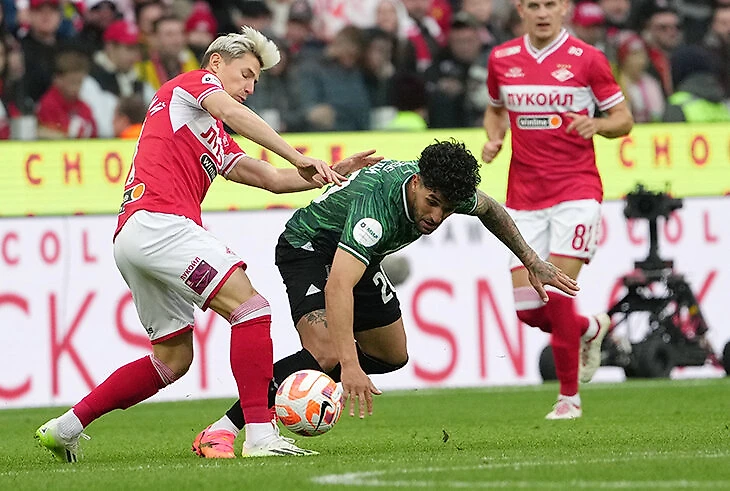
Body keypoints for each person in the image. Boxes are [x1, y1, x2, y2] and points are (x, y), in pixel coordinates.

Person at [34, 26, 379, 463]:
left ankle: (64, 428)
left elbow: (270, 179)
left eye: (256, 81)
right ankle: (259, 434)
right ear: (216, 63)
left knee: (171, 361)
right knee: (251, 308)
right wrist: (296, 153)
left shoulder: (211, 130)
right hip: (161, 223)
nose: (250, 88)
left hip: (134, 236)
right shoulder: (191, 85)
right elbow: (235, 115)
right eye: (246, 74)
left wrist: (330, 171)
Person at [191, 139, 580, 459]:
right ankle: (223, 429)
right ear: (416, 183)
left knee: (392, 355)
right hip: (308, 246)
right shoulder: (377, 210)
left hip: (360, 254)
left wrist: (531, 260)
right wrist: (348, 365)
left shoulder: (445, 188)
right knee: (328, 352)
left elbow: (490, 208)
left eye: (446, 209)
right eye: (432, 202)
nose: (437, 216)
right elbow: (338, 287)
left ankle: (295, 388)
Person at [482, 0, 634, 420]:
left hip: (576, 191)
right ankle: (591, 329)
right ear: (521, 9)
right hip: (523, 197)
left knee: (558, 293)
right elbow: (495, 110)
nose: (542, 12)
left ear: (564, 8)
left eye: (550, 3)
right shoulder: (502, 58)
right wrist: (494, 138)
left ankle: (569, 399)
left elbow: (623, 119)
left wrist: (597, 124)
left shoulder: (589, 59)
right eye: (534, 5)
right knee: (529, 310)